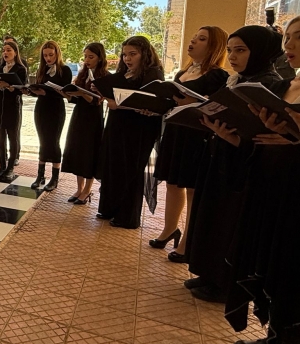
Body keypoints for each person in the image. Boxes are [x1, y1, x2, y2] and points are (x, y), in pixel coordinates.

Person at [219, 17, 300, 344]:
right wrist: (234, 135)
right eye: (290, 38)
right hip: (272, 186)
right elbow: (262, 138)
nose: (290, 45)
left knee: (294, 266)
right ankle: (276, 334)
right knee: (273, 260)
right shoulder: (285, 85)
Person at [182, 26, 283, 303]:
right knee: (211, 216)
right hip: (221, 155)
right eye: (230, 50)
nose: (233, 57)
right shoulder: (239, 79)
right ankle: (207, 272)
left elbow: (268, 136)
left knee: (230, 224)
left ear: (260, 52)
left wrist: (237, 141)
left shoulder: (270, 84)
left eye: (241, 50)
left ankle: (223, 282)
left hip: (244, 167)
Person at [149, 26, 228, 252]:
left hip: (197, 134)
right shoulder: (181, 74)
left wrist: (193, 103)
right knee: (173, 183)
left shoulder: (217, 76)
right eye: (193, 38)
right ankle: (169, 229)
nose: (193, 42)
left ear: (214, 47)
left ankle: (187, 241)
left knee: (192, 188)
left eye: (201, 39)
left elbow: (217, 107)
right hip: (175, 131)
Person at [95, 36, 164, 230]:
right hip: (117, 124)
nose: (127, 59)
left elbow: (152, 103)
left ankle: (127, 217)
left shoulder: (153, 73)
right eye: (125, 54)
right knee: (112, 164)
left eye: (133, 54)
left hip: (138, 129)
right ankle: (109, 208)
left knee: (130, 170)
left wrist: (120, 104)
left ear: (145, 54)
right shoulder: (124, 73)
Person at [61, 43, 109, 205]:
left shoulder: (105, 76)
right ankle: (79, 187)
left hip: (93, 119)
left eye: (91, 57)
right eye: (85, 56)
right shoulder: (82, 74)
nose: (87, 60)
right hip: (79, 116)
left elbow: (97, 101)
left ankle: (88, 190)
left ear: (100, 58)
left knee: (89, 153)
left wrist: (82, 93)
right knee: (77, 151)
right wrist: (66, 93)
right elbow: (74, 99)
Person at [28, 40, 73, 191]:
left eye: (51, 55)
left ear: (57, 54)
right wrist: (31, 91)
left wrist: (46, 92)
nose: (48, 58)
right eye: (45, 55)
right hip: (41, 109)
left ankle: (54, 178)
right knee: (42, 141)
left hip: (56, 110)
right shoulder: (42, 69)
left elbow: (64, 93)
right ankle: (40, 176)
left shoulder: (64, 70)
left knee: (54, 141)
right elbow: (39, 91)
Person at [0, 40, 27, 180]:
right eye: (4, 50)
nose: (5, 52)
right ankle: (2, 167)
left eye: (9, 50)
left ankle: (10, 168)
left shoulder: (20, 69)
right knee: (0, 138)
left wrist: (9, 86)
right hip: (0, 106)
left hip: (13, 106)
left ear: (15, 52)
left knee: (13, 138)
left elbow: (22, 89)